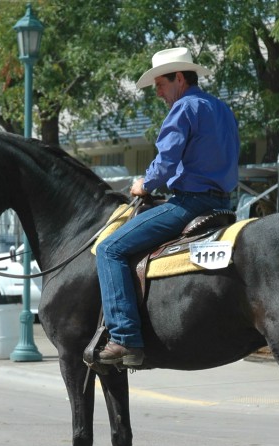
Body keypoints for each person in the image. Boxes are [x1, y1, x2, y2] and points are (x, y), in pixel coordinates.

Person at [93, 47, 240, 367]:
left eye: (160, 83)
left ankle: (124, 338)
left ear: (179, 78)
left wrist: (143, 185)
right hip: (224, 204)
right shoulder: (221, 108)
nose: (157, 92)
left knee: (109, 249)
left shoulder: (183, 108)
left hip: (190, 203)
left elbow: (165, 162)